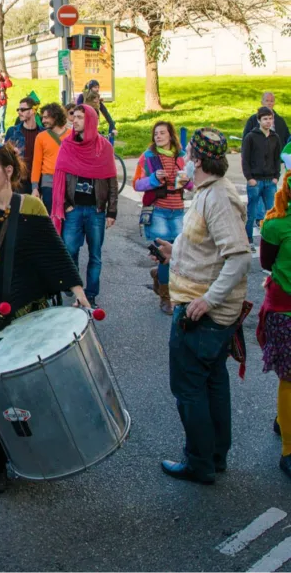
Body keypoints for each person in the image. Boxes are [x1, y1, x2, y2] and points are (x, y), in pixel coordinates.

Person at [0, 142, 88, 493]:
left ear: (8, 171)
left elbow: (54, 255)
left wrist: (80, 294)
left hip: (32, 310)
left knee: (34, 386)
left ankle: (37, 452)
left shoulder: (32, 207)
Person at [151, 128, 251, 485]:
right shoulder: (210, 191)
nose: (185, 161)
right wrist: (174, 252)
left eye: (189, 154)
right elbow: (209, 248)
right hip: (205, 310)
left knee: (189, 388)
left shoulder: (218, 197)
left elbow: (239, 257)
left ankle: (199, 463)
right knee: (212, 383)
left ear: (198, 160)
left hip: (203, 315)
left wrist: (208, 300)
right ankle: (214, 456)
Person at [52, 105, 118, 307]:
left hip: (96, 211)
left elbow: (112, 181)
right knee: (69, 249)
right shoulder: (68, 145)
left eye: (80, 117)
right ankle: (73, 284)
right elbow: (59, 176)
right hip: (74, 209)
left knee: (95, 255)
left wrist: (112, 211)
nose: (75, 120)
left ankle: (90, 295)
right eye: (74, 117)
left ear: (90, 121)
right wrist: (65, 205)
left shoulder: (104, 147)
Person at [133, 121, 191, 315]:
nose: (158, 136)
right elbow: (137, 184)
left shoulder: (182, 157)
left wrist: (187, 182)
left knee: (177, 255)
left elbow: (191, 184)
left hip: (178, 210)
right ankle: (166, 298)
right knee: (166, 256)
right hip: (158, 210)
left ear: (171, 135)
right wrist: (153, 179)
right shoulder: (148, 156)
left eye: (162, 133)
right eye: (156, 133)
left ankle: (159, 275)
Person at [256, 170, 291, 480]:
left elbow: (267, 263)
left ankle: (284, 422)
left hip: (282, 306)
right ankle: (288, 451)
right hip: (285, 310)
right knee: (289, 379)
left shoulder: (275, 225)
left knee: (289, 379)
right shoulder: (277, 225)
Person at [242, 106, 282, 249]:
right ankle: (248, 239)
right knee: (252, 213)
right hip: (255, 180)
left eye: (270, 119)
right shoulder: (251, 137)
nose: (268, 121)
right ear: (259, 120)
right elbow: (245, 159)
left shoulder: (275, 137)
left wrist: (276, 176)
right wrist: (249, 178)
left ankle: (270, 241)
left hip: (270, 181)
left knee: (272, 213)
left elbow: (277, 159)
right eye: (265, 119)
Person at [31, 103, 71, 212]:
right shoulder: (41, 137)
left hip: (68, 181)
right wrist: (35, 188)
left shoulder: (71, 135)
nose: (43, 121)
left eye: (46, 117)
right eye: (42, 118)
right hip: (48, 183)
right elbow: (36, 163)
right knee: (51, 215)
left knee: (69, 217)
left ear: (55, 117)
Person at [6, 97, 44, 193]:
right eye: (18, 110)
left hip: (38, 180)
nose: (19, 112)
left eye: (22, 110)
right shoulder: (12, 131)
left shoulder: (43, 133)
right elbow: (4, 156)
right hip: (19, 180)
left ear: (32, 111)